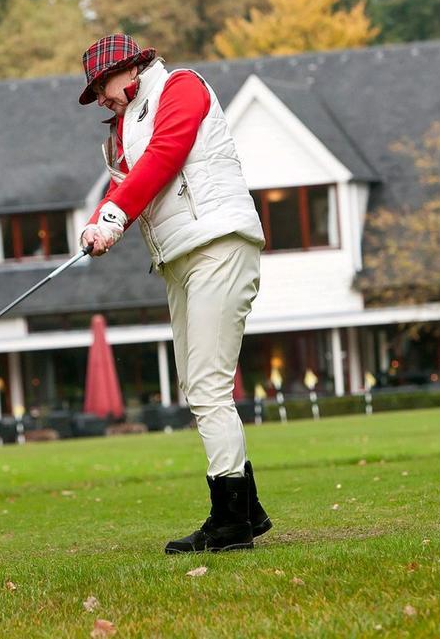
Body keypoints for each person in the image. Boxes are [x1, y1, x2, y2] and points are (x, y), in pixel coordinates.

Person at [77, 34, 272, 553]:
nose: (101, 98)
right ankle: (246, 510)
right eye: (95, 91)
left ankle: (231, 522)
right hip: (179, 258)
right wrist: (97, 222)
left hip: (219, 242)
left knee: (208, 387)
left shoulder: (179, 87)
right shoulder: (122, 129)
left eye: (103, 85)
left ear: (133, 67)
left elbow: (164, 157)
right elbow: (123, 186)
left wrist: (113, 219)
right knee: (196, 387)